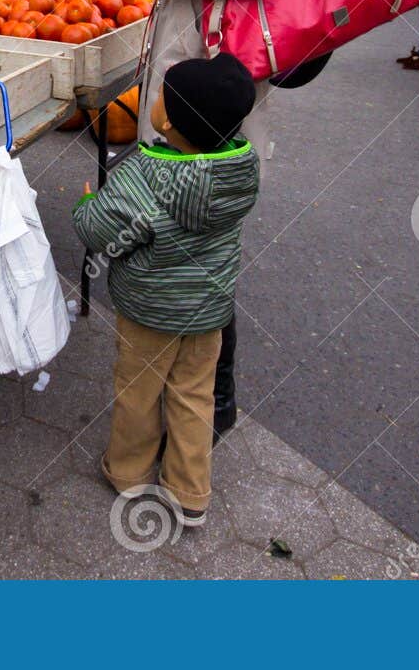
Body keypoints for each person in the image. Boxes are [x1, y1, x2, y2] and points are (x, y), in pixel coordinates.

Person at [106, 0, 294, 440]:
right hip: (192, 64)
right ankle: (187, 401)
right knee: (185, 234)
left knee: (197, 239)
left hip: (213, 82)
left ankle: (209, 404)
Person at [75, 53, 261, 529]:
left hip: (149, 314)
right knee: (194, 394)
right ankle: (189, 491)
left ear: (166, 119)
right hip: (208, 314)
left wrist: (87, 204)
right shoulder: (241, 170)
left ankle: (129, 474)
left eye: (160, 95)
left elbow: (98, 231)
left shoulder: (144, 178)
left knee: (138, 392)